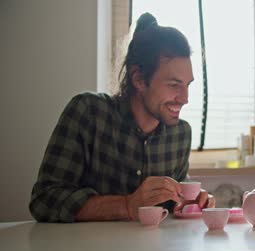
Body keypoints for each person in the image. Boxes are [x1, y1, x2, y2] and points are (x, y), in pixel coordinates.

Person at [29, 13, 215, 223]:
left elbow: (172, 204)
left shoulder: (180, 134)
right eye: (173, 85)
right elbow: (44, 200)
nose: (185, 98)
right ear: (138, 79)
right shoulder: (88, 113)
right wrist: (127, 205)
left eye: (187, 85)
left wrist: (190, 203)